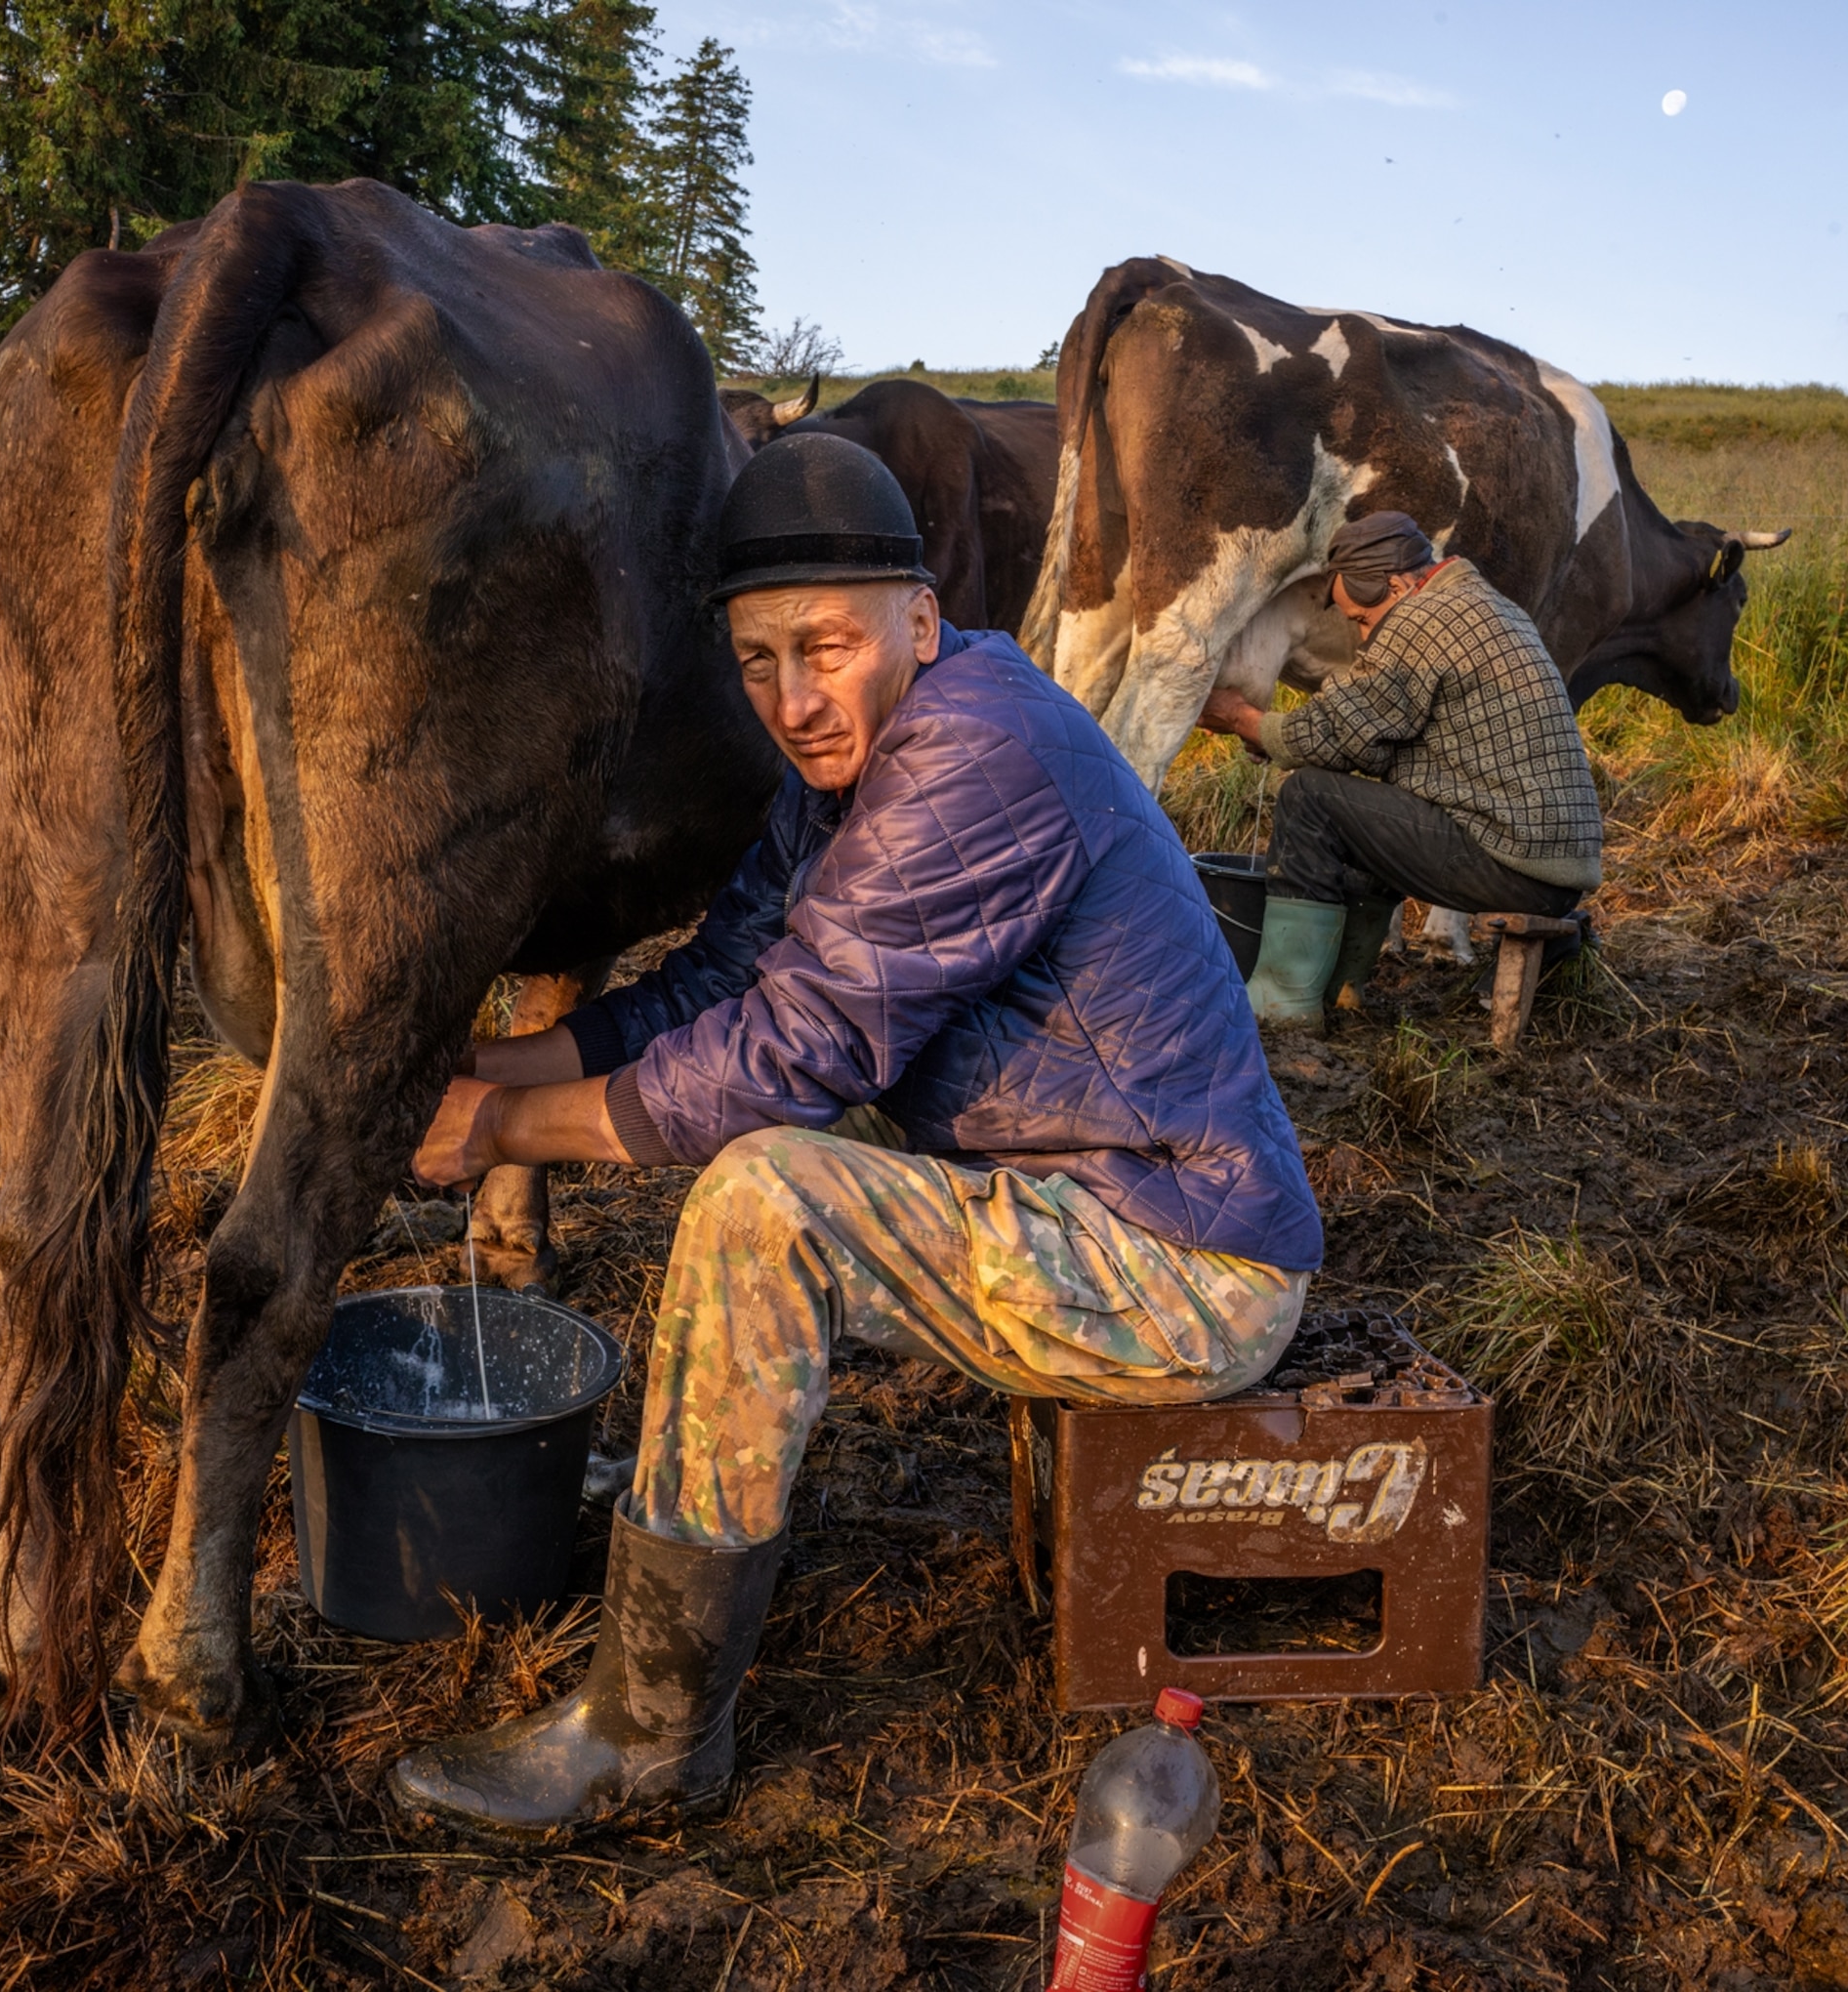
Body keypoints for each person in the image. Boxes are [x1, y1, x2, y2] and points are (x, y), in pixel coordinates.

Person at [385, 434, 1323, 1840]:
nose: (793, 698)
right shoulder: (849, 769)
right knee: (762, 1152)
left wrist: (506, 1129)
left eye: (824, 646)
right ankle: (672, 1519)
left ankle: (646, 1739)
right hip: (1063, 1194)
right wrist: (475, 1066)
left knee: (770, 1195)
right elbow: (719, 983)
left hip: (1182, 1266)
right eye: (757, 661)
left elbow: (785, 1055)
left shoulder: (977, 756)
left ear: (922, 619)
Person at [1194, 511, 1603, 1027]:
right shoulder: (1479, 604)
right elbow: (1367, 742)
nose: (1365, 638)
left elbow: (1335, 730)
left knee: (1309, 798)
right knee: (1357, 807)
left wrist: (1241, 718)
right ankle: (1342, 988)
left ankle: (1283, 1001)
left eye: (1362, 621)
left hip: (1510, 861)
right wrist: (1276, 736)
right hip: (1552, 870)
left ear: (1392, 585)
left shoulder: (1420, 621)